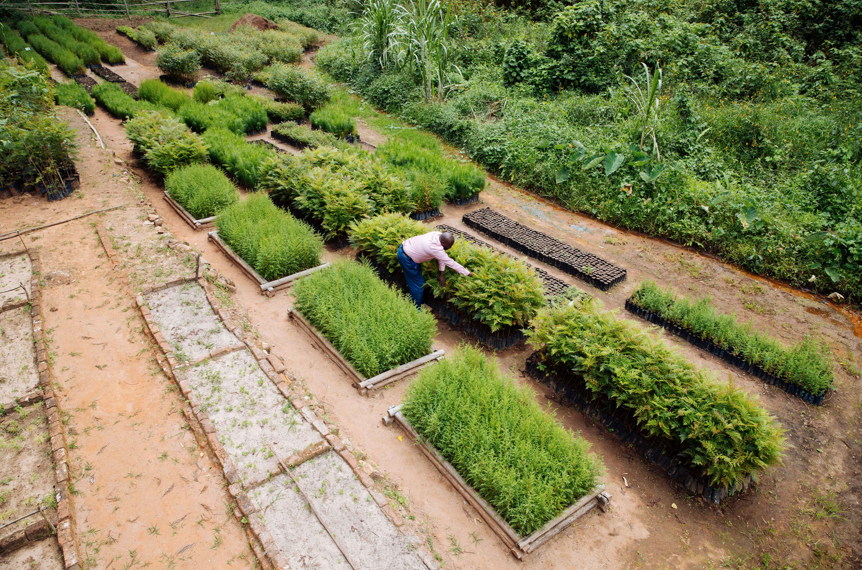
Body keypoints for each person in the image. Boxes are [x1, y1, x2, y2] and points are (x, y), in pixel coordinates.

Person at [398, 231, 471, 308]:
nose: (450, 248)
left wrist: (442, 274)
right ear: (442, 241)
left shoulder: (437, 234)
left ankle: (417, 301)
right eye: (449, 245)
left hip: (407, 250)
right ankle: (415, 308)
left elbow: (441, 256)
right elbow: (450, 262)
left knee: (415, 281)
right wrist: (468, 273)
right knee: (418, 284)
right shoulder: (434, 248)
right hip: (407, 259)